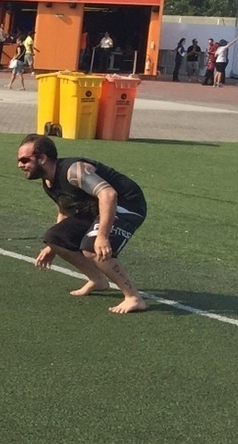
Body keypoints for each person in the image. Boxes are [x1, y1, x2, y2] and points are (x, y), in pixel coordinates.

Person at [16, 135, 148, 315]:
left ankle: (133, 297)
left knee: (92, 248)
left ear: (42, 158)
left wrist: (102, 236)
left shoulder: (74, 171)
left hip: (127, 204)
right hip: (97, 208)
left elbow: (108, 195)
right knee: (54, 238)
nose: (20, 165)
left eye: (24, 160)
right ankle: (98, 280)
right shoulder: (48, 182)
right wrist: (52, 248)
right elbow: (65, 212)